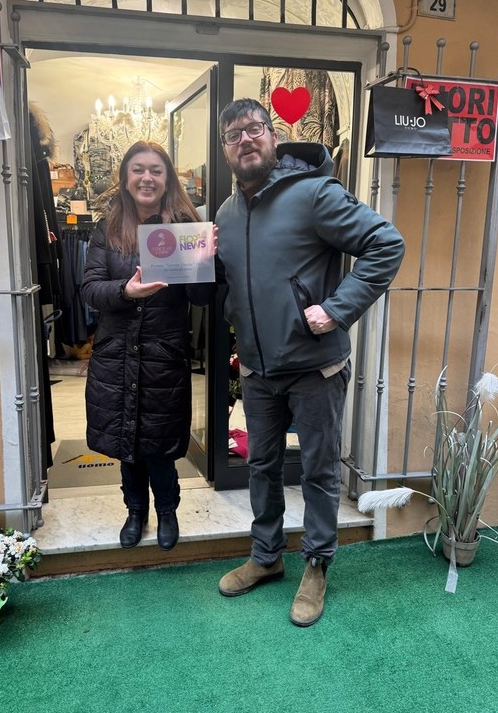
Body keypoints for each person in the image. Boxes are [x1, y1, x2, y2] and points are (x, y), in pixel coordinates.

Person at [214, 99, 405, 626]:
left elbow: (385, 244)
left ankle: (317, 565)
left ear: (273, 136)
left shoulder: (315, 193)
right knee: (261, 466)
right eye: (233, 134)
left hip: (315, 368)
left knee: (319, 470)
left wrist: (338, 310)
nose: (245, 139)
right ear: (225, 150)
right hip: (257, 370)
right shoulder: (226, 214)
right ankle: (266, 557)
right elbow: (235, 284)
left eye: (254, 128)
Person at [81, 140, 215, 552]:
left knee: (159, 446)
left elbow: (201, 299)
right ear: (125, 176)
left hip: (162, 358)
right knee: (128, 445)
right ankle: (135, 511)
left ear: (167, 179)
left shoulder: (184, 227)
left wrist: (208, 261)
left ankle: (168, 511)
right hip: (116, 356)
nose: (147, 178)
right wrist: (126, 290)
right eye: (138, 169)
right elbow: (90, 289)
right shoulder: (107, 228)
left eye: (156, 170)